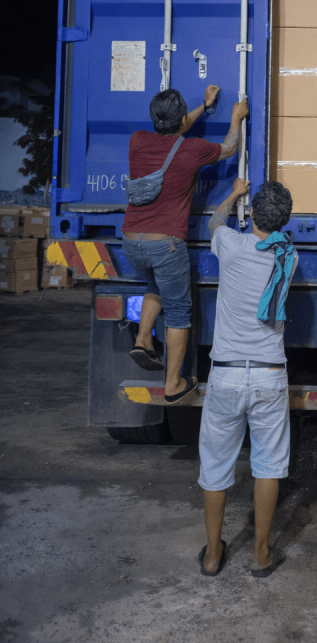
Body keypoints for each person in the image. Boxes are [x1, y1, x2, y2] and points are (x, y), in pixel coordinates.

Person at [123, 85, 249, 406]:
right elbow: (230, 148)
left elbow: (174, 127)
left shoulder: (137, 141)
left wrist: (205, 108)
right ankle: (174, 384)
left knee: (156, 282)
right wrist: (234, 118)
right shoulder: (193, 150)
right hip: (165, 243)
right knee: (179, 313)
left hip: (132, 241)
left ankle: (142, 340)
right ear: (181, 119)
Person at [197, 179, 297, 578]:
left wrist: (234, 193)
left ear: (253, 213)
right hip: (270, 375)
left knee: (217, 466)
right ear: (286, 221)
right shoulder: (288, 255)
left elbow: (214, 222)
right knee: (268, 466)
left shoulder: (231, 246)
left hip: (225, 375)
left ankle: (212, 556)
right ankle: (260, 555)